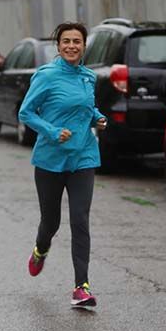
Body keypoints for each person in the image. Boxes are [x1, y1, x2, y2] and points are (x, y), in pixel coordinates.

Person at [18, 22, 108, 309]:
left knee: (80, 219)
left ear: (84, 46)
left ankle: (81, 286)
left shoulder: (89, 77)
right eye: (66, 41)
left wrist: (97, 117)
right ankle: (40, 249)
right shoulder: (46, 76)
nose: (71, 46)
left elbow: (85, 107)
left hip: (83, 156)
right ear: (58, 47)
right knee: (51, 222)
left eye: (77, 41)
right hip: (50, 159)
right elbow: (26, 112)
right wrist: (52, 131)